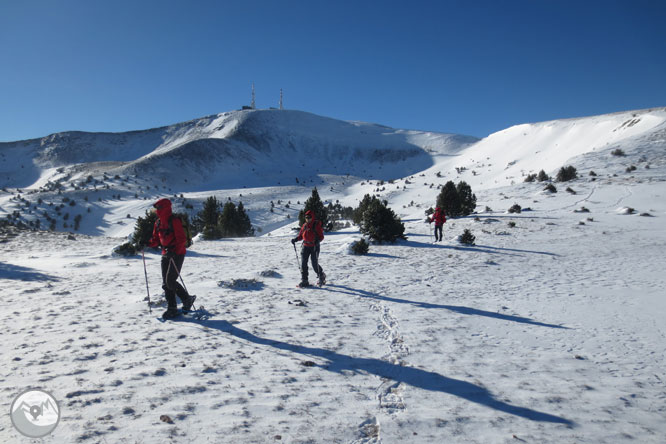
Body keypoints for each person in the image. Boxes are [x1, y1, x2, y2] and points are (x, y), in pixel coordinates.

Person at [147, 198, 196, 319]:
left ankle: (187, 299)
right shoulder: (158, 222)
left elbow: (181, 239)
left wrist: (174, 252)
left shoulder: (174, 220)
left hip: (177, 254)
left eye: (158, 208)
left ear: (164, 208)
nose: (156, 210)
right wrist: (146, 243)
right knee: (166, 283)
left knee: (170, 280)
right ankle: (172, 308)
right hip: (165, 254)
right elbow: (156, 240)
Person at [291, 210, 326, 287]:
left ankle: (321, 276)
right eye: (306, 217)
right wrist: (295, 239)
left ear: (312, 217)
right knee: (303, 263)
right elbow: (301, 236)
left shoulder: (316, 225)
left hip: (314, 247)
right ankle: (304, 280)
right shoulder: (304, 226)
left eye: (309, 217)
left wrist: (318, 241)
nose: (307, 219)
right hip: (305, 246)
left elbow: (321, 236)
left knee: (314, 264)